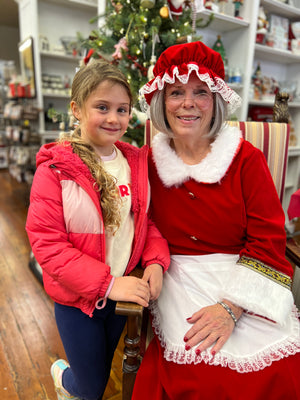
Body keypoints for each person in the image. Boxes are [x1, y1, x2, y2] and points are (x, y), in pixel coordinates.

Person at [132, 41, 300, 399]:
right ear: (162, 101)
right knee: (201, 372)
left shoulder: (245, 159)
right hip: (178, 276)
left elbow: (268, 237)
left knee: (283, 368)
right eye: (176, 92)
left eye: (201, 92)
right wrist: (155, 262)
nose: (188, 103)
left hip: (242, 274)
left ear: (217, 100)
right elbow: (138, 227)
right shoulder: (145, 162)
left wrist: (231, 307)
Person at [25, 59, 170, 400]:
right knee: (91, 388)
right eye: (102, 107)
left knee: (102, 368)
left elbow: (144, 223)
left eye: (122, 109)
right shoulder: (56, 170)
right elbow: (48, 246)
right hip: (78, 299)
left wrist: (155, 261)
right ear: (76, 108)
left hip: (119, 296)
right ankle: (63, 378)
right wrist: (108, 283)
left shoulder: (133, 162)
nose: (113, 118)